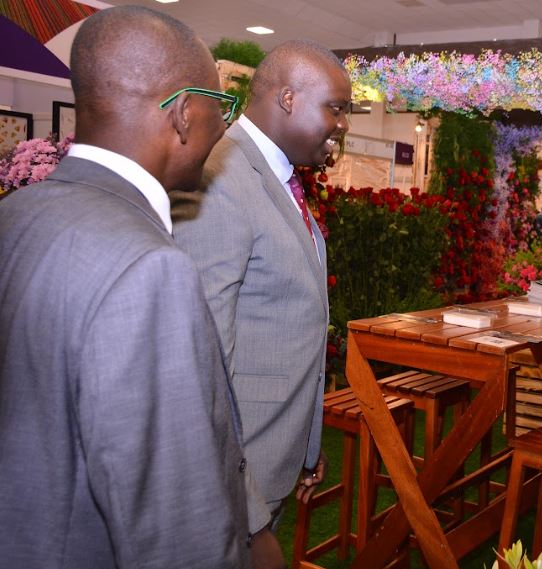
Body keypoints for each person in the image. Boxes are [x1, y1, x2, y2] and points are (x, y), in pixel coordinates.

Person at [0, 6, 250, 568]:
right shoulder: (149, 268)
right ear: (185, 115)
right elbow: (175, 529)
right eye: (221, 108)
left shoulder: (15, 213)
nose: (223, 127)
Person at [172, 40, 351, 549]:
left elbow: (285, 319)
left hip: (272, 451)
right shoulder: (221, 178)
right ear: (289, 98)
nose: (342, 124)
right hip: (233, 480)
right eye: (335, 108)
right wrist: (246, 507)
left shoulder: (276, 177)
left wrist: (306, 441)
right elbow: (203, 361)